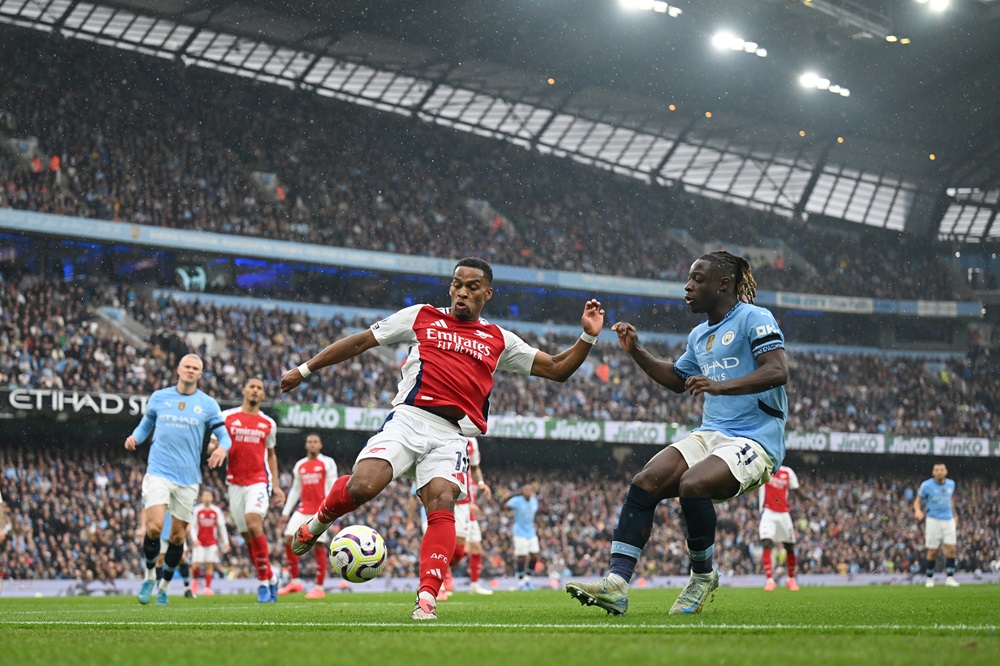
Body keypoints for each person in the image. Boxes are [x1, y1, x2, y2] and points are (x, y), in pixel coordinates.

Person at [280, 257, 604, 620]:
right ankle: (318, 523)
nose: (462, 292)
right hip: (408, 418)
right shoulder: (421, 316)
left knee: (442, 502)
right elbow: (361, 342)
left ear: (488, 293)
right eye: (457, 284)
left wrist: (588, 335)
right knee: (363, 487)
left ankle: (427, 597)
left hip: (452, 435)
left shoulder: (499, 339)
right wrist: (304, 369)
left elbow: (557, 369)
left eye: (472, 287)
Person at [567, 250, 788, 616]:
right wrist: (636, 351)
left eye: (697, 280)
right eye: (689, 279)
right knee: (644, 482)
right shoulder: (699, 335)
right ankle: (617, 584)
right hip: (712, 432)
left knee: (693, 485)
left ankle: (702, 576)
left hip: (754, 439)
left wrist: (721, 386)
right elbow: (676, 379)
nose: (688, 286)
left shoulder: (755, 318)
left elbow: (777, 370)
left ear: (723, 283)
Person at [125, 353, 231, 605]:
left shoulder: (207, 404)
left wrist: (221, 448)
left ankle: (163, 587)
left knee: (177, 537)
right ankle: (150, 575)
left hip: (188, 478)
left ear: (200, 373)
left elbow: (224, 436)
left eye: (196, 368)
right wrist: (134, 438)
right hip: (158, 472)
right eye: (187, 366)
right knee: (153, 527)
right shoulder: (159, 397)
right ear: (178, 369)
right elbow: (145, 425)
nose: (191, 371)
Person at [211, 377, 284, 603]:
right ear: (244, 390)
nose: (254, 390)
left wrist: (277, 485)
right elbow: (215, 443)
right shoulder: (226, 418)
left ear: (263, 395)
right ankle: (271, 577)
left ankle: (263, 582)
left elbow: (271, 455)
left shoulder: (268, 424)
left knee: (254, 523)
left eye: (259, 388)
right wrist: (214, 449)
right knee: (247, 537)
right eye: (251, 386)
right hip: (235, 483)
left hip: (259, 481)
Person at [277, 433, 338, 599]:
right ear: (306, 445)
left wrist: (331, 509)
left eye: (315, 442)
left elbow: (333, 486)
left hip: (320, 511)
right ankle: (295, 581)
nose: (312, 444)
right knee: (289, 539)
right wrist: (285, 513)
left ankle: (319, 587)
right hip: (303, 509)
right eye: (309, 442)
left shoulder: (327, 463)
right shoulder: (300, 465)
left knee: (318, 545)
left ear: (320, 445)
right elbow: (295, 490)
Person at [914, 462, 959, 588]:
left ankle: (950, 578)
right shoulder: (926, 485)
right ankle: (929, 579)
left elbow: (950, 501)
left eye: (942, 469)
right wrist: (917, 511)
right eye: (937, 470)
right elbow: (917, 501)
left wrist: (955, 515)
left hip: (948, 520)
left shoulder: (951, 484)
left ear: (946, 471)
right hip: (933, 520)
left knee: (951, 549)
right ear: (933, 472)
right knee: (933, 551)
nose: (939, 472)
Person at [759, 465, 801, 591]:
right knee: (766, 542)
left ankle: (791, 579)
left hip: (784, 514)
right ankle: (770, 580)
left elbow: (797, 490)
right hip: (768, 512)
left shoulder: (788, 472)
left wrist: (808, 499)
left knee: (789, 547)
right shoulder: (764, 468)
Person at [190, 489, 229, 597]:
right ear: (201, 497)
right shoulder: (197, 510)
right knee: (196, 564)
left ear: (212, 498)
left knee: (210, 564)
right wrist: (194, 539)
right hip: (199, 542)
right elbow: (192, 526)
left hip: (212, 542)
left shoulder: (216, 511)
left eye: (209, 496)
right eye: (205, 495)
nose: (207, 498)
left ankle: (207, 588)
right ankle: (195, 582)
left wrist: (226, 542)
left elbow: (222, 527)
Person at [504, 482, 540, 590]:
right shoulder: (517, 500)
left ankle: (527, 580)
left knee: (535, 556)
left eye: (529, 490)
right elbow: (504, 508)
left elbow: (533, 516)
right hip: (519, 533)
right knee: (522, 557)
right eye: (526, 490)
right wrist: (505, 499)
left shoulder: (534, 501)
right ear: (523, 492)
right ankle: (520, 582)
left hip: (531, 532)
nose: (528, 492)